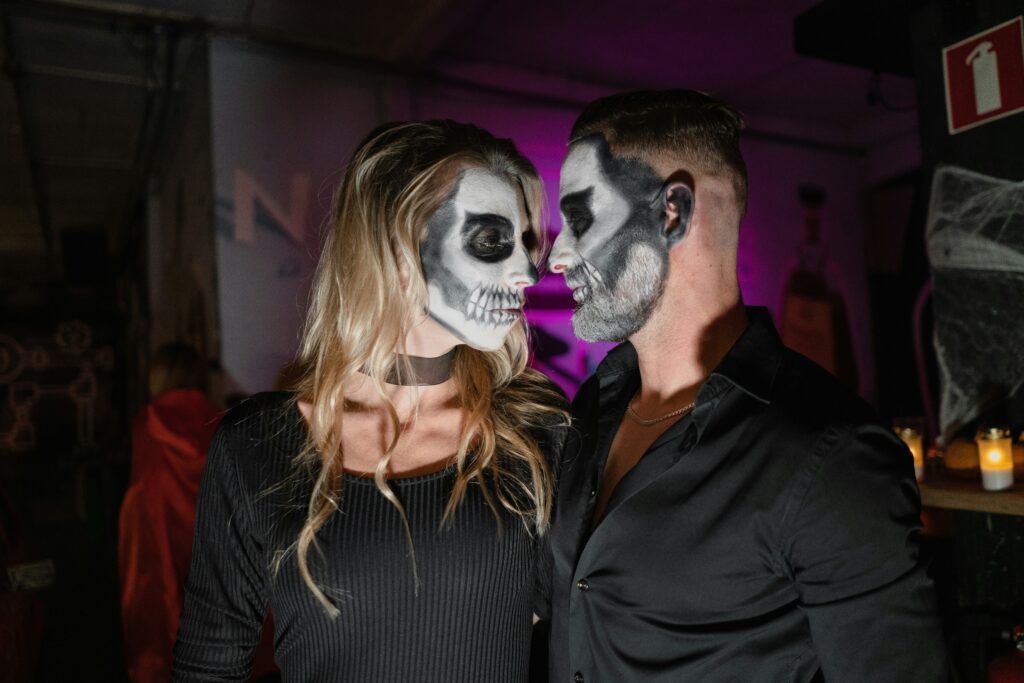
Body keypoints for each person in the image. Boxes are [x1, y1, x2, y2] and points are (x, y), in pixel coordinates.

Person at [540, 90, 947, 682]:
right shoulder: (590, 411)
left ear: (671, 211)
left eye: (580, 217)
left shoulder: (828, 456)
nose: (558, 254)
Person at [172, 120, 568, 681]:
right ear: (396, 249)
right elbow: (207, 666)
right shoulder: (258, 446)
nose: (527, 271)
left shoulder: (539, 432)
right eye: (490, 240)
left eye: (526, 241)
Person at [119, 342, 223, 682]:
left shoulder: (147, 423)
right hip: (216, 544)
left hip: (160, 536)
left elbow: (144, 491)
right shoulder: (221, 421)